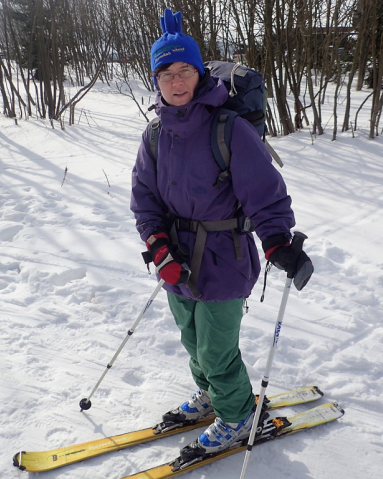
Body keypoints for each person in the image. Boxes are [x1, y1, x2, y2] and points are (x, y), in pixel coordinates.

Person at [130, 8, 313, 459]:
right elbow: (144, 201)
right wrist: (160, 249)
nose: (176, 81)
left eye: (185, 70)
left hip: (224, 257)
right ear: (156, 80)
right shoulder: (154, 136)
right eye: (166, 72)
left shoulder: (229, 130)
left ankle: (237, 415)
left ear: (198, 72)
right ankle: (213, 395)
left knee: (216, 348)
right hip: (177, 260)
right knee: (193, 341)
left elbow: (265, 195)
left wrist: (278, 244)